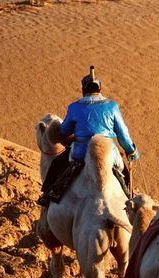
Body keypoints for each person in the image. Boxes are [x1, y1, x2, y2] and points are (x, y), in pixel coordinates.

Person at [38, 66, 139, 206]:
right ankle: (130, 199)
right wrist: (131, 151)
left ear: (83, 89)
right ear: (100, 89)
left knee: (57, 164)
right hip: (109, 153)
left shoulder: (74, 107)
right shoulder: (112, 106)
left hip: (80, 153)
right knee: (125, 176)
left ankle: (47, 196)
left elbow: (65, 131)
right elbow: (122, 132)